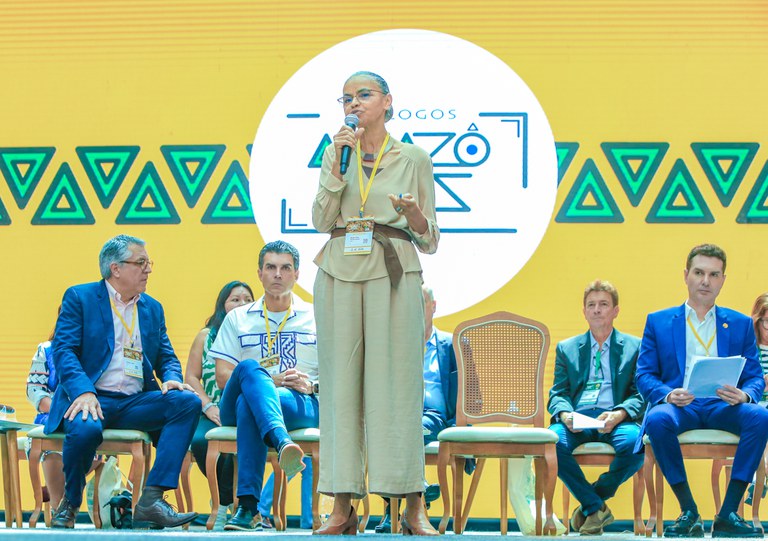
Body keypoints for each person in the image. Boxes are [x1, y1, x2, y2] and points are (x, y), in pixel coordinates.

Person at [312, 71, 439, 536]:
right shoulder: (334, 152)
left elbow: (431, 240)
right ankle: (342, 507)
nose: (354, 103)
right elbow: (320, 219)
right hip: (339, 270)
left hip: (394, 272)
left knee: (398, 390)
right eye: (346, 97)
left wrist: (413, 214)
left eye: (363, 95)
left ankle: (410, 506)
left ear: (387, 101)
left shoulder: (415, 158)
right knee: (341, 391)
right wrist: (336, 170)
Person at [47, 234, 201, 529]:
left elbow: (166, 356)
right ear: (115, 268)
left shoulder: (152, 308)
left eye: (148, 263)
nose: (148, 269)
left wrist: (171, 379)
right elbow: (64, 350)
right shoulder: (80, 298)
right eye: (140, 263)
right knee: (85, 428)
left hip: (134, 402)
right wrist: (83, 390)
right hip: (91, 398)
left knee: (187, 401)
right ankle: (70, 501)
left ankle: (151, 499)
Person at [635, 243, 768, 538]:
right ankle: (689, 511)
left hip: (724, 405)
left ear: (722, 280)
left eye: (713, 274)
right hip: (682, 405)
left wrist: (745, 395)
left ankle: (728, 513)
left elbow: (755, 377)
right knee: (657, 419)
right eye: (699, 272)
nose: (705, 281)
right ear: (686, 275)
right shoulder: (658, 321)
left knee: (759, 416)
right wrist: (668, 394)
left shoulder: (740, 323)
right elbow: (644, 375)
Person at [210, 240, 317, 531]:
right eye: (271, 267)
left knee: (251, 406)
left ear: (297, 274)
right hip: (235, 401)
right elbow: (222, 377)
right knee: (247, 368)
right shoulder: (238, 318)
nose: (278, 274)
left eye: (285, 268)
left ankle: (247, 509)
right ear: (259, 273)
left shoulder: (316, 316)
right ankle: (282, 442)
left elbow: (338, 373)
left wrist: (313, 387)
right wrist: (270, 380)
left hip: (298, 401)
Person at [547, 280, 644, 535]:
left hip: (616, 417)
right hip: (577, 417)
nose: (597, 310)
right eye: (591, 305)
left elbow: (640, 393)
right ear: (584, 311)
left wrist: (620, 413)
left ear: (616, 311)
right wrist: (566, 414)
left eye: (603, 304)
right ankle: (595, 506)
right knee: (552, 442)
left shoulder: (635, 347)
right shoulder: (567, 348)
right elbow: (558, 393)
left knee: (637, 444)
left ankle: (591, 503)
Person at [374, 284, 459, 533]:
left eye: (420, 304)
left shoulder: (450, 344)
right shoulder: (393, 344)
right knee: (390, 431)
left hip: (432, 416)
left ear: (433, 307)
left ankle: (398, 508)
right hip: (396, 414)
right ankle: (416, 498)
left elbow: (470, 389)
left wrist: (461, 425)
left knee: (409, 431)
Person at [185, 280, 254, 529]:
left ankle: (238, 507)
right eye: (235, 299)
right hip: (210, 410)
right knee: (203, 441)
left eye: (247, 300)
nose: (241, 304)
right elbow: (191, 377)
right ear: (222, 305)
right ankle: (225, 504)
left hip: (244, 410)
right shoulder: (206, 336)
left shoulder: (255, 336)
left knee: (246, 443)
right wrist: (208, 407)